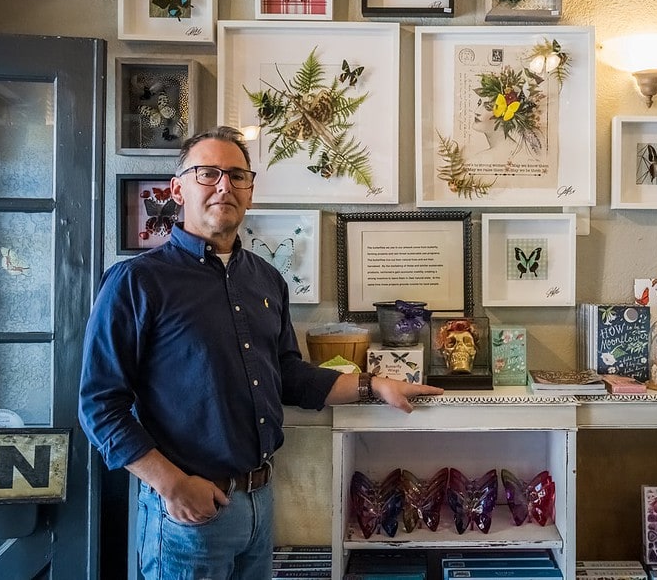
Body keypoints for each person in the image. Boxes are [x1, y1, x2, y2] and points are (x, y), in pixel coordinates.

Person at [78, 126, 443, 579]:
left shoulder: (266, 280)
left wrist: (375, 385)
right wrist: (172, 486)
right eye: (207, 173)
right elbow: (99, 406)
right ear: (177, 188)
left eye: (237, 175)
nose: (224, 186)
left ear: (251, 191)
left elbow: (287, 373)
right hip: (188, 515)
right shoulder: (136, 282)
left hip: (259, 503)